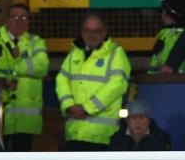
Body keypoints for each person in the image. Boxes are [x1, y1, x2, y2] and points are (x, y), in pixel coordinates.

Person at [55, 13, 130, 150]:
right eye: (88, 31)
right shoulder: (74, 54)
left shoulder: (116, 53)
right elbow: (61, 80)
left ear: (105, 31)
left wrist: (87, 108)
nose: (92, 35)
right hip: (75, 132)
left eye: (97, 31)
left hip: (103, 137)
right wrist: (69, 105)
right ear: (82, 32)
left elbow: (117, 85)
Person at [0, 2, 49, 151]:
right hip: (1, 114)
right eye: (14, 17)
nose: (19, 21)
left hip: (27, 116)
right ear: (6, 19)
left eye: (23, 17)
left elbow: (42, 67)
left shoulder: (36, 42)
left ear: (29, 21)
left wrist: (14, 63)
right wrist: (23, 64)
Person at [148, 0, 185, 74]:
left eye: (162, 10)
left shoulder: (169, 37)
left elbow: (158, 69)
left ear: (167, 13)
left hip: (167, 85)